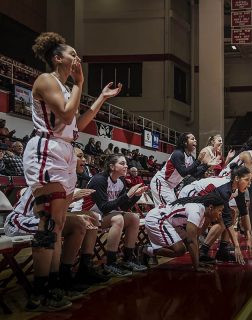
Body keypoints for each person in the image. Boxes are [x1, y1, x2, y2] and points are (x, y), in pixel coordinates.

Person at [24, 32, 121, 311]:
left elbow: (77, 123)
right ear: (57, 58)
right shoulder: (46, 80)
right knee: (49, 222)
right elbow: (66, 116)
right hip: (47, 149)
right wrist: (80, 83)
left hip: (64, 148)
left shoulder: (66, 88)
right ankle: (39, 291)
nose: (77, 58)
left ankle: (53, 285)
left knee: (58, 221)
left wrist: (100, 97)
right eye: (72, 54)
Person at [4, 148, 107, 304]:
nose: (85, 160)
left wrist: (75, 211)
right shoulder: (50, 175)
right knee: (54, 224)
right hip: (19, 220)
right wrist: (70, 199)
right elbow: (40, 212)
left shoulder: (69, 179)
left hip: (42, 219)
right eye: (80, 156)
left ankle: (68, 275)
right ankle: (43, 290)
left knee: (88, 217)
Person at [72, 154, 148, 276]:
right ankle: (110, 263)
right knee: (118, 219)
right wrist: (127, 195)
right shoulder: (99, 180)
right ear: (112, 166)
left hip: (103, 214)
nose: (126, 166)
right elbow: (104, 207)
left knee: (134, 218)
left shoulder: (121, 181)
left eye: (126, 164)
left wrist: (136, 196)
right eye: (122, 163)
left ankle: (127, 259)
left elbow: (123, 206)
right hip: (87, 214)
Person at [179, 163, 252, 264]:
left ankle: (222, 250)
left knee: (231, 213)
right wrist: (237, 246)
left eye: (250, 180)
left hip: (202, 196)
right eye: (247, 180)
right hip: (190, 195)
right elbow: (227, 219)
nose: (249, 184)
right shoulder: (224, 189)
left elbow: (244, 211)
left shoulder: (235, 188)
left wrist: (249, 235)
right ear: (237, 178)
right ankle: (201, 251)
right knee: (215, 216)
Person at [142, 193, 225, 272]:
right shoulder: (196, 212)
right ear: (210, 207)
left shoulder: (202, 214)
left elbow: (195, 238)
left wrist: (198, 261)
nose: (220, 214)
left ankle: (152, 248)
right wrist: (196, 266)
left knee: (186, 245)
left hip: (168, 220)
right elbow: (191, 241)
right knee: (180, 250)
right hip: (157, 218)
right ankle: (145, 250)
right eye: (219, 210)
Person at [150, 132, 219, 207]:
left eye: (195, 139)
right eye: (192, 139)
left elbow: (195, 174)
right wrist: (198, 161)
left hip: (170, 186)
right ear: (185, 142)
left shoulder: (190, 157)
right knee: (168, 209)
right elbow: (183, 172)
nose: (195, 140)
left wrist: (206, 165)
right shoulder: (178, 153)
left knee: (173, 209)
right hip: (161, 182)